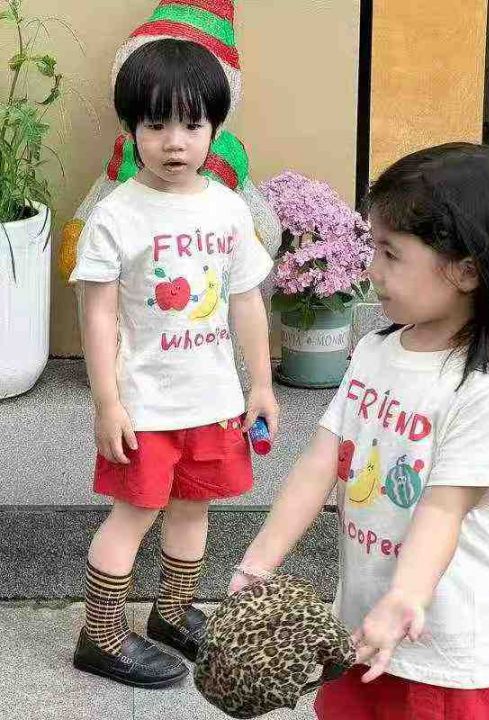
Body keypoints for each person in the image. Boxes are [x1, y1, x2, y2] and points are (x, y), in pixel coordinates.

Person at [230, 143, 489, 719]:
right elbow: (320, 463)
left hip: (439, 650)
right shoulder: (374, 351)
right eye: (374, 247)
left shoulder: (485, 389)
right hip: (363, 628)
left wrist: (404, 598)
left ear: (467, 269)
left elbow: (443, 510)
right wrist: (258, 563)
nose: (372, 270)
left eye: (391, 253)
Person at [70, 38, 278, 689]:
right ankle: (100, 635)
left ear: (215, 128)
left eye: (192, 124)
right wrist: (107, 403)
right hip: (145, 407)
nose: (175, 142)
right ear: (131, 128)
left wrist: (261, 384)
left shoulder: (227, 208)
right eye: (156, 124)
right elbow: (97, 315)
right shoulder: (115, 216)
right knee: (133, 514)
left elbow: (246, 300)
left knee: (194, 508)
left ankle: (171, 611)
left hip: (212, 400)